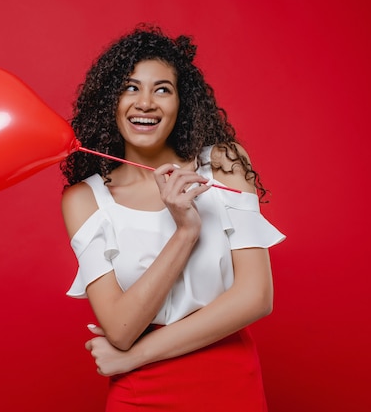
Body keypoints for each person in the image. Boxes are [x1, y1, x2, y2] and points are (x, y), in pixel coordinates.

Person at [60, 24, 285, 412]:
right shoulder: (85, 198)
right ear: (109, 101)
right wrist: (185, 231)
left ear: (182, 103)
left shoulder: (223, 164)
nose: (145, 102)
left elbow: (256, 297)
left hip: (230, 385)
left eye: (162, 89)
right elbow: (121, 327)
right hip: (141, 397)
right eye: (130, 87)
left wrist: (132, 357)